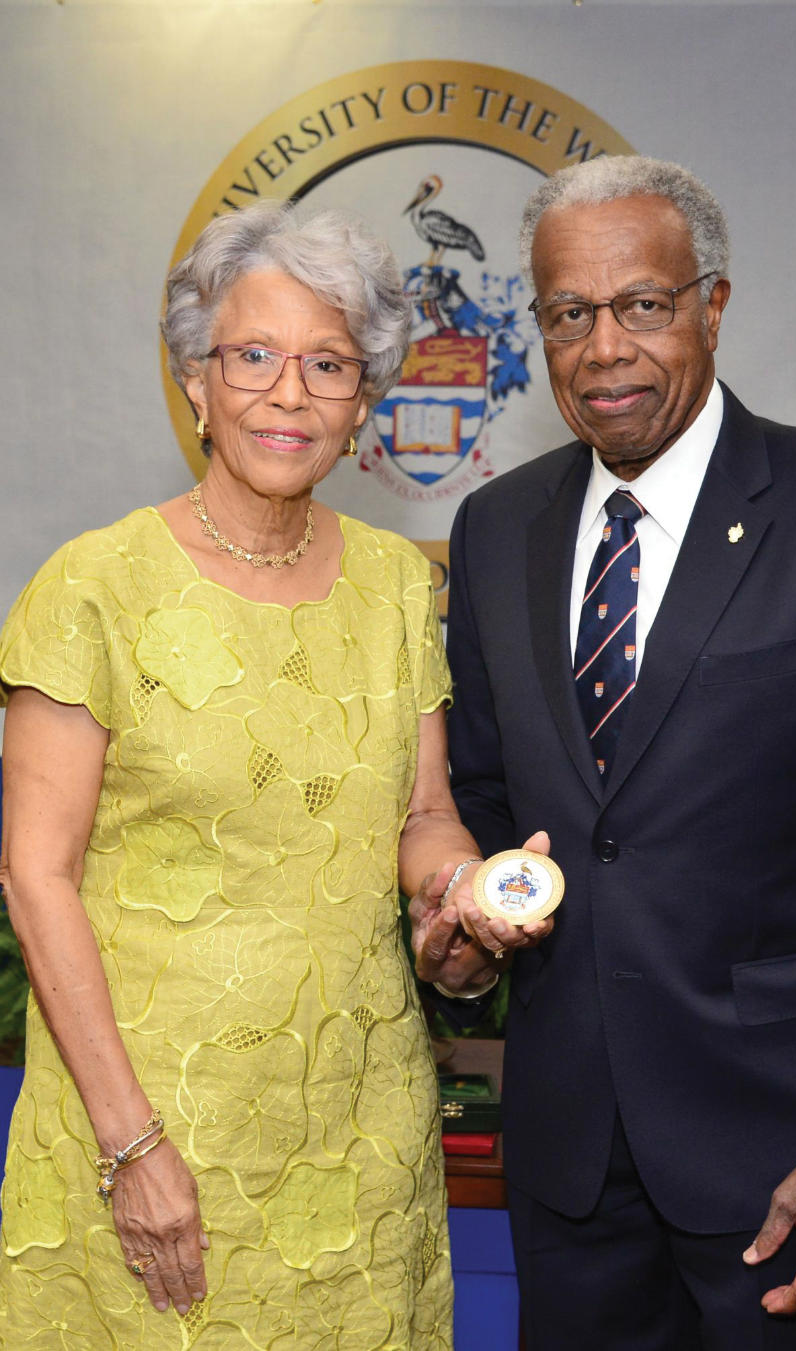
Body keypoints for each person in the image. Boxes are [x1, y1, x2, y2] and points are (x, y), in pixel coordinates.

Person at [0, 200, 550, 1348]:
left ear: (364, 403)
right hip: (151, 1143)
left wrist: (462, 893)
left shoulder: (400, 585)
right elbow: (33, 874)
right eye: (253, 356)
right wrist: (131, 1145)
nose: (288, 392)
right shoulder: (93, 586)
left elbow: (424, 810)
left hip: (359, 1148)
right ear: (196, 380)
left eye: (329, 364)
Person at [411, 156, 796, 1349]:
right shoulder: (496, 527)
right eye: (570, 313)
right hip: (570, 1161)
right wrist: (462, 929)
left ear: (712, 304)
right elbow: (476, 793)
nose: (605, 348)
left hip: (784, 1162)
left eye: (644, 304)